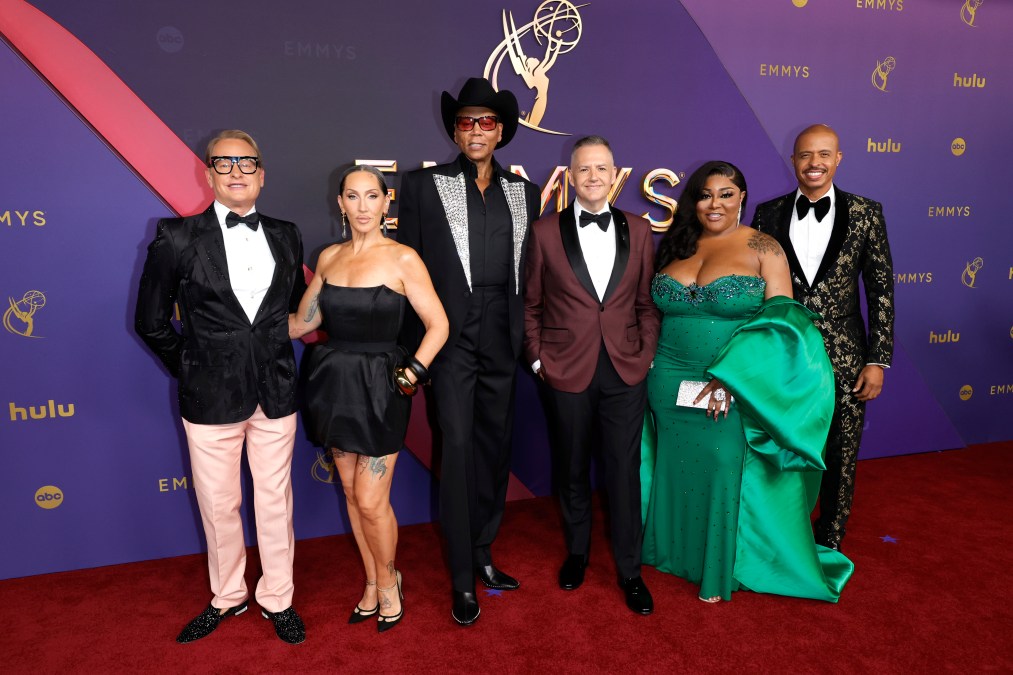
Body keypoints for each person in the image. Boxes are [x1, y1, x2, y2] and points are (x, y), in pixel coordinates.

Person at [642, 160, 854, 603]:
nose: (714, 203)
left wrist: (733, 379)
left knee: (721, 467)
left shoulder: (764, 247)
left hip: (728, 383)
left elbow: (783, 324)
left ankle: (717, 568)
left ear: (741, 197)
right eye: (705, 194)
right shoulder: (677, 243)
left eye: (725, 194)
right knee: (674, 464)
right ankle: (675, 555)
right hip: (667, 378)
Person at [135, 130, 308, 643]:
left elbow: (291, 311)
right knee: (218, 504)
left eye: (246, 162)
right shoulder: (176, 236)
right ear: (208, 174)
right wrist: (193, 366)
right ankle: (229, 595)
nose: (236, 171)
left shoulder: (287, 234)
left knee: (275, 501)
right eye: (224, 162)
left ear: (262, 175)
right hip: (209, 397)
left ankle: (278, 598)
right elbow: (150, 322)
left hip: (275, 391)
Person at [397, 77, 541, 625]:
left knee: (494, 449)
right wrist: (416, 352)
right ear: (454, 132)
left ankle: (483, 552)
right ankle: (462, 578)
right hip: (449, 337)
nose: (476, 130)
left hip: (502, 334)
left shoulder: (524, 194)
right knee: (456, 449)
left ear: (500, 131)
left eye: (486, 122)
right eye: (466, 122)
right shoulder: (422, 187)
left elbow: (528, 271)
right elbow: (407, 271)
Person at [289, 165, 448, 633]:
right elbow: (303, 323)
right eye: (353, 196)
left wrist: (411, 375)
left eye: (372, 196)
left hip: (382, 387)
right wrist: (237, 325)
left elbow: (439, 325)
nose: (362, 206)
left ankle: (390, 580)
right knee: (352, 496)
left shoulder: (403, 258)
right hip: (333, 385)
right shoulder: (329, 257)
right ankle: (375, 579)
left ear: (385, 202)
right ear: (340, 203)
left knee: (372, 498)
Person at [524, 136, 659, 615]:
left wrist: (645, 355)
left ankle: (630, 571)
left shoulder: (639, 229)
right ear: (570, 175)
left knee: (624, 472)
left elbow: (646, 304)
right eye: (584, 169)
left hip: (625, 369)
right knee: (572, 468)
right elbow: (531, 305)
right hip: (565, 368)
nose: (593, 176)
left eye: (602, 168)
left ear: (615, 174)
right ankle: (577, 554)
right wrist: (538, 359)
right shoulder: (544, 231)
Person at [753, 124, 895, 551]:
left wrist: (878, 359)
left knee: (841, 451)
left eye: (824, 154)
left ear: (838, 159)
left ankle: (831, 537)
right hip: (785, 351)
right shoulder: (767, 213)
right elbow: (756, 287)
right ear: (793, 160)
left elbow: (881, 289)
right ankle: (784, 532)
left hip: (847, 355)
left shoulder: (866, 212)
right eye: (805, 155)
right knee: (783, 442)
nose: (814, 163)